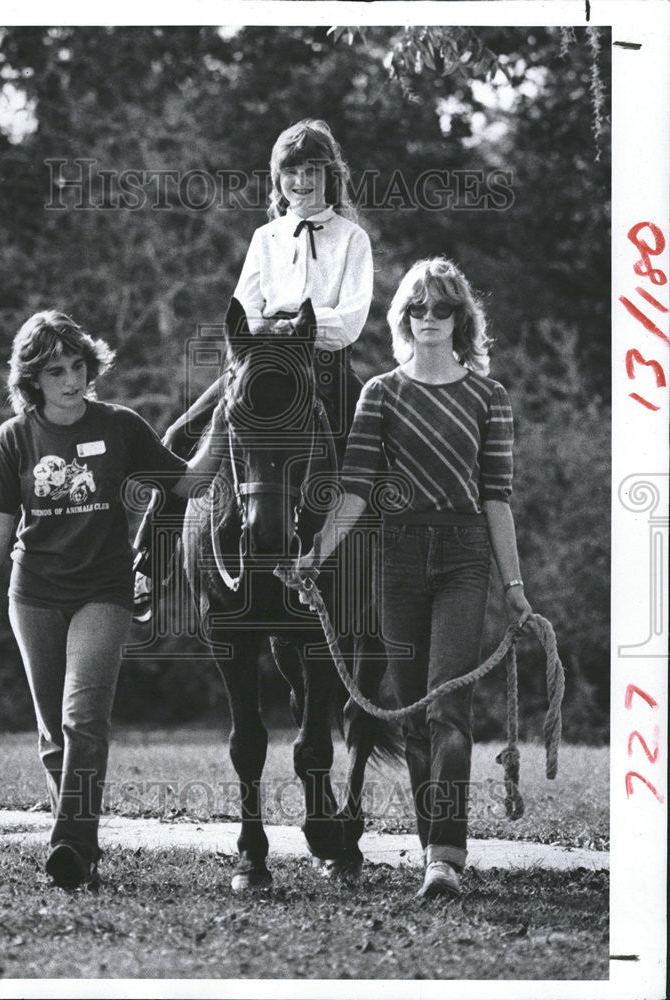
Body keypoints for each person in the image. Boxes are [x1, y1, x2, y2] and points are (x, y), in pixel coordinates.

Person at [298, 257, 532, 899]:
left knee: (446, 704)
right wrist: (316, 554)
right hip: (396, 558)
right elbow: (353, 491)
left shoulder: (489, 398)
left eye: (443, 308)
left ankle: (446, 857)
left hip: (463, 556)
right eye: (418, 309)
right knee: (409, 714)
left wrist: (513, 589)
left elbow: (497, 500)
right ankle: (435, 852)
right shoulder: (381, 394)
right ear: (403, 317)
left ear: (462, 318)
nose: (430, 319)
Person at [0, 310, 218, 889]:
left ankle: (70, 846)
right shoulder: (14, 439)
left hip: (104, 590)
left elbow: (188, 482)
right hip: (34, 597)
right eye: (57, 371)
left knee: (83, 719)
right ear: (33, 379)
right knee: (53, 729)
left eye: (78, 366)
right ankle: (80, 841)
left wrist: (228, 415)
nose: (72, 380)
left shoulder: (121, 426)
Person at [133, 118, 374, 616]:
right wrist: (271, 332)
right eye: (291, 172)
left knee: (378, 450)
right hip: (259, 360)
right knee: (180, 434)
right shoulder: (267, 236)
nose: (301, 182)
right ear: (277, 178)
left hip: (321, 363)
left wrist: (299, 325)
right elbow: (243, 306)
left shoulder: (352, 239)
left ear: (330, 175)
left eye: (312, 170)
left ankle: (388, 569)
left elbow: (350, 320)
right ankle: (146, 568)